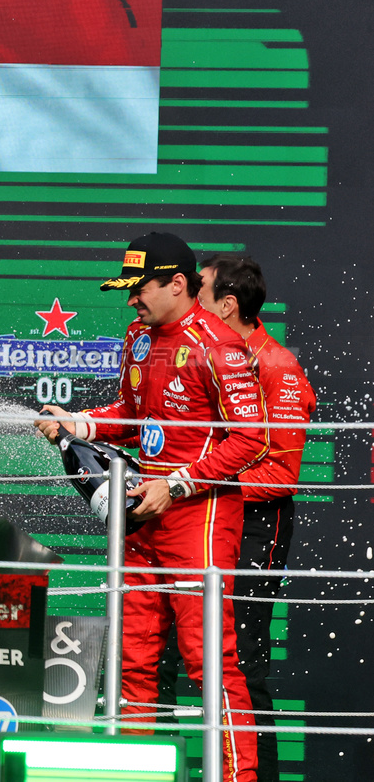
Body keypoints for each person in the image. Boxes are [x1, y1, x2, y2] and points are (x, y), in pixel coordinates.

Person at [35, 232, 268, 782]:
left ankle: (238, 777)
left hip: (200, 516)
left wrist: (180, 485)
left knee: (207, 658)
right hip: (143, 509)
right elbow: (132, 412)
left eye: (140, 289)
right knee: (133, 655)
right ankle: (136, 773)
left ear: (178, 284)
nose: (132, 300)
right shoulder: (138, 337)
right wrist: (79, 424)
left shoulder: (219, 345)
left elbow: (252, 440)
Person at [190, 254, 313, 781]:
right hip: (206, 512)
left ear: (227, 304)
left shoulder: (278, 366)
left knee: (242, 658)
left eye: (200, 293)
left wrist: (191, 484)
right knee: (191, 650)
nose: (190, 304)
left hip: (256, 522)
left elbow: (280, 476)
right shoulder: (203, 352)